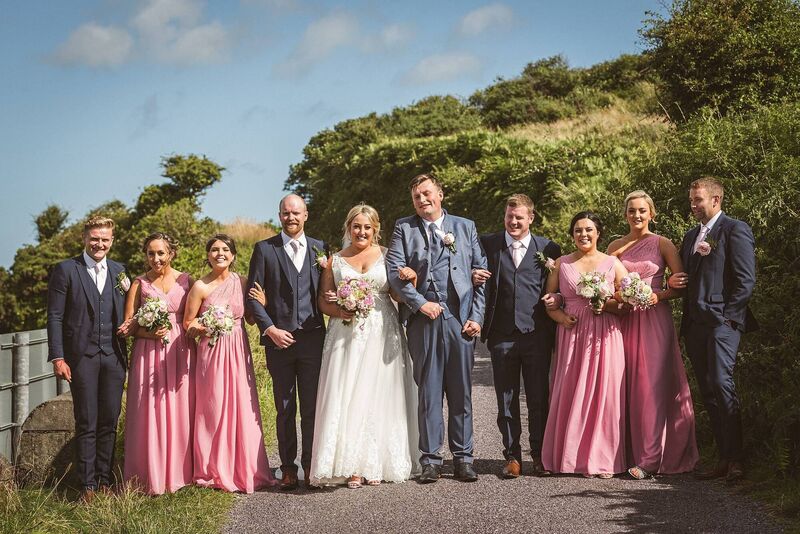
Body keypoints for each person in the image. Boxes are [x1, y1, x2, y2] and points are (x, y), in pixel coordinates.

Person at [305, 204, 420, 488]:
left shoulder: (387, 255)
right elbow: (323, 299)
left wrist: (412, 279)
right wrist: (339, 310)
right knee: (347, 393)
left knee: (380, 393)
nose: (361, 232)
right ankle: (351, 464)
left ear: (375, 229)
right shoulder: (334, 261)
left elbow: (395, 293)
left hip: (383, 330)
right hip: (346, 333)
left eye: (367, 227)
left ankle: (376, 461)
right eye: (356, 226)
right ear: (348, 228)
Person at [386, 173, 487, 484]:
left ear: (440, 195)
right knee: (429, 392)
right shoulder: (404, 228)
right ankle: (430, 459)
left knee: (461, 392)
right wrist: (419, 303)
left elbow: (480, 272)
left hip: (459, 319)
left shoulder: (465, 226)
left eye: (427, 194)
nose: (422, 200)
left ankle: (463, 459)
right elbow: (394, 273)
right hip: (424, 319)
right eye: (417, 196)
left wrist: (477, 317)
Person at [668, 177, 757, 483]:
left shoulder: (735, 229)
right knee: (708, 390)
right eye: (691, 200)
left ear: (716, 200)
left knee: (722, 383)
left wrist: (729, 319)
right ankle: (722, 458)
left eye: (698, 200)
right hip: (695, 327)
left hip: (723, 323)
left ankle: (736, 460)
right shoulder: (692, 235)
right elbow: (689, 278)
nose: (693, 206)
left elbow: (746, 280)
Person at [607, 192, 699, 480]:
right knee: (624, 386)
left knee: (652, 387)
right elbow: (607, 284)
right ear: (625, 214)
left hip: (654, 319)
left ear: (652, 213)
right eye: (632, 211)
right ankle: (623, 453)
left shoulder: (663, 243)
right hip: (622, 321)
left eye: (642, 211)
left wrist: (655, 296)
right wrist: (617, 297)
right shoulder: (614, 246)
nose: (637, 215)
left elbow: (681, 285)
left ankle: (650, 458)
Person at [472, 194, 561, 478]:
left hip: (537, 334)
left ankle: (539, 454)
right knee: (506, 398)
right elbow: (467, 269)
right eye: (509, 216)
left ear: (531, 218)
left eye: (519, 217)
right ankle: (512, 456)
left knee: (538, 397)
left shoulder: (548, 247)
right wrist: (474, 275)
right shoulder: (488, 244)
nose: (513, 222)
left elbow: (560, 285)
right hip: (502, 335)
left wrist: (555, 298)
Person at [246, 194, 327, 490]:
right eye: (285, 213)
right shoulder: (265, 249)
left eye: (296, 212)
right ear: (279, 215)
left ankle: (311, 465)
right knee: (284, 408)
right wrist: (270, 329)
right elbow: (252, 299)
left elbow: (325, 290)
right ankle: (288, 467)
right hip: (278, 342)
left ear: (305, 215)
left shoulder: (321, 248)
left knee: (311, 407)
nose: (291, 217)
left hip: (313, 339)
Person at [46, 216, 130, 502]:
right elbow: (55, 316)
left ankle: (105, 481)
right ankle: (88, 486)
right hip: (81, 357)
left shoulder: (120, 271)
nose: (99, 244)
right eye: (95, 238)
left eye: (105, 239)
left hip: (114, 357)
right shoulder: (66, 269)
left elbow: (129, 310)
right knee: (86, 421)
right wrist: (58, 356)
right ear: (85, 238)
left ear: (112, 241)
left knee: (110, 420)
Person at [184, 234, 275, 493]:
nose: (219, 253)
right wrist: (202, 325)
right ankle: (213, 468)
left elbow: (249, 319)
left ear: (233, 255)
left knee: (241, 405)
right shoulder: (200, 286)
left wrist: (263, 305)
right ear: (208, 255)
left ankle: (243, 466)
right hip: (210, 352)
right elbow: (188, 323)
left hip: (237, 348)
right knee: (213, 406)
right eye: (214, 250)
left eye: (225, 249)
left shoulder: (242, 282)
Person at [541, 212, 627, 478]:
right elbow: (549, 299)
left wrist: (608, 304)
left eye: (588, 229)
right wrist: (560, 315)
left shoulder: (612, 262)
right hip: (573, 333)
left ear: (598, 232)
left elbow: (627, 299)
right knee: (571, 391)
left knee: (605, 394)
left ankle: (604, 460)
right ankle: (568, 458)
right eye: (578, 230)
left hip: (606, 334)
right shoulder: (561, 264)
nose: (583, 235)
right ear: (572, 235)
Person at [123, 232, 195, 494]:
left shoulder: (187, 281)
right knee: (149, 410)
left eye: (161, 253)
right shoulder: (138, 284)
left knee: (179, 408)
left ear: (171, 253)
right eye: (151, 253)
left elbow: (194, 317)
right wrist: (148, 332)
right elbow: (129, 326)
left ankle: (180, 473)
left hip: (179, 349)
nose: (156, 258)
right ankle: (148, 475)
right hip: (148, 352)